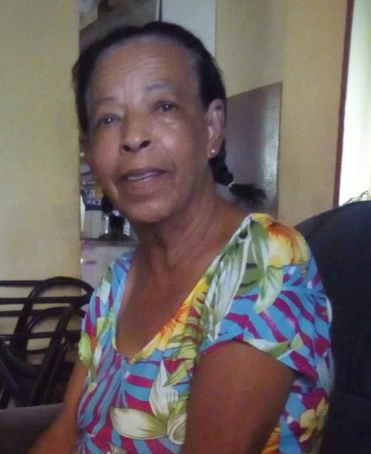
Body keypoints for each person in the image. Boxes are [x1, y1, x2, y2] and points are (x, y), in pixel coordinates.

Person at [29, 22, 333, 454]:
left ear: (211, 128)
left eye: (164, 106)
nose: (133, 136)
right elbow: (65, 433)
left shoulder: (264, 263)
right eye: (108, 119)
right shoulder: (118, 283)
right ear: (90, 151)